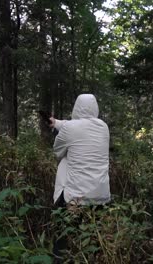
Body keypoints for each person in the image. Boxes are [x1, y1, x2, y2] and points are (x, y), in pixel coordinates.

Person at [49, 94, 110, 261]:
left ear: (76, 108)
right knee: (93, 241)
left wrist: (59, 128)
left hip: (74, 197)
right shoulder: (103, 127)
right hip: (100, 197)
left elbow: (58, 151)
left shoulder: (70, 128)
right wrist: (57, 123)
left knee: (63, 238)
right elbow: (78, 126)